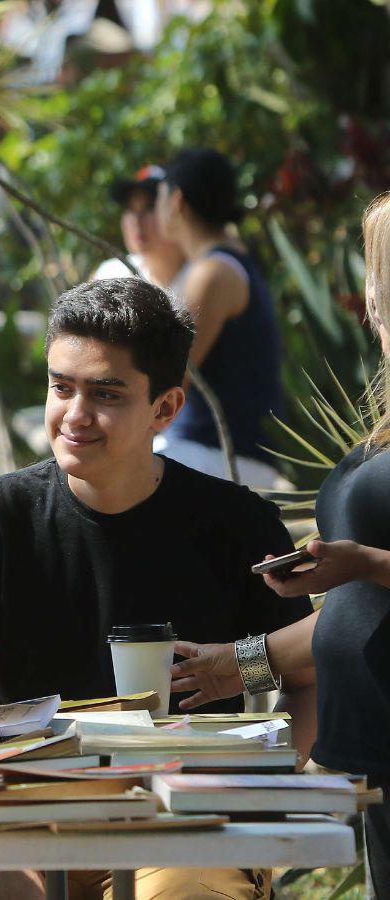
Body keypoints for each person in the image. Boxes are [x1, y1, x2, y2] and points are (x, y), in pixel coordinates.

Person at [0, 278, 316, 900]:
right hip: (17, 820)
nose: (75, 415)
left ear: (165, 408)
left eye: (105, 394)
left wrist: (260, 793)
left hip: (181, 827)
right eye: (61, 388)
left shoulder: (238, 524)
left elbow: (306, 680)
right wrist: (4, 859)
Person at [171, 193, 390, 899]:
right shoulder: (379, 431)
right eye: (377, 272)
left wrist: (361, 562)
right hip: (370, 750)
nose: (375, 297)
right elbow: (358, 607)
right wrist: (236, 665)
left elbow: (367, 581)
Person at [154, 147, 285, 489]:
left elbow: (170, 375)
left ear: (176, 201)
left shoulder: (212, 273)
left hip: (219, 458)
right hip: (213, 453)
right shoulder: (228, 261)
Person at [92, 164, 187, 294]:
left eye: (149, 207)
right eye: (130, 209)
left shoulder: (204, 274)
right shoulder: (112, 276)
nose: (137, 221)